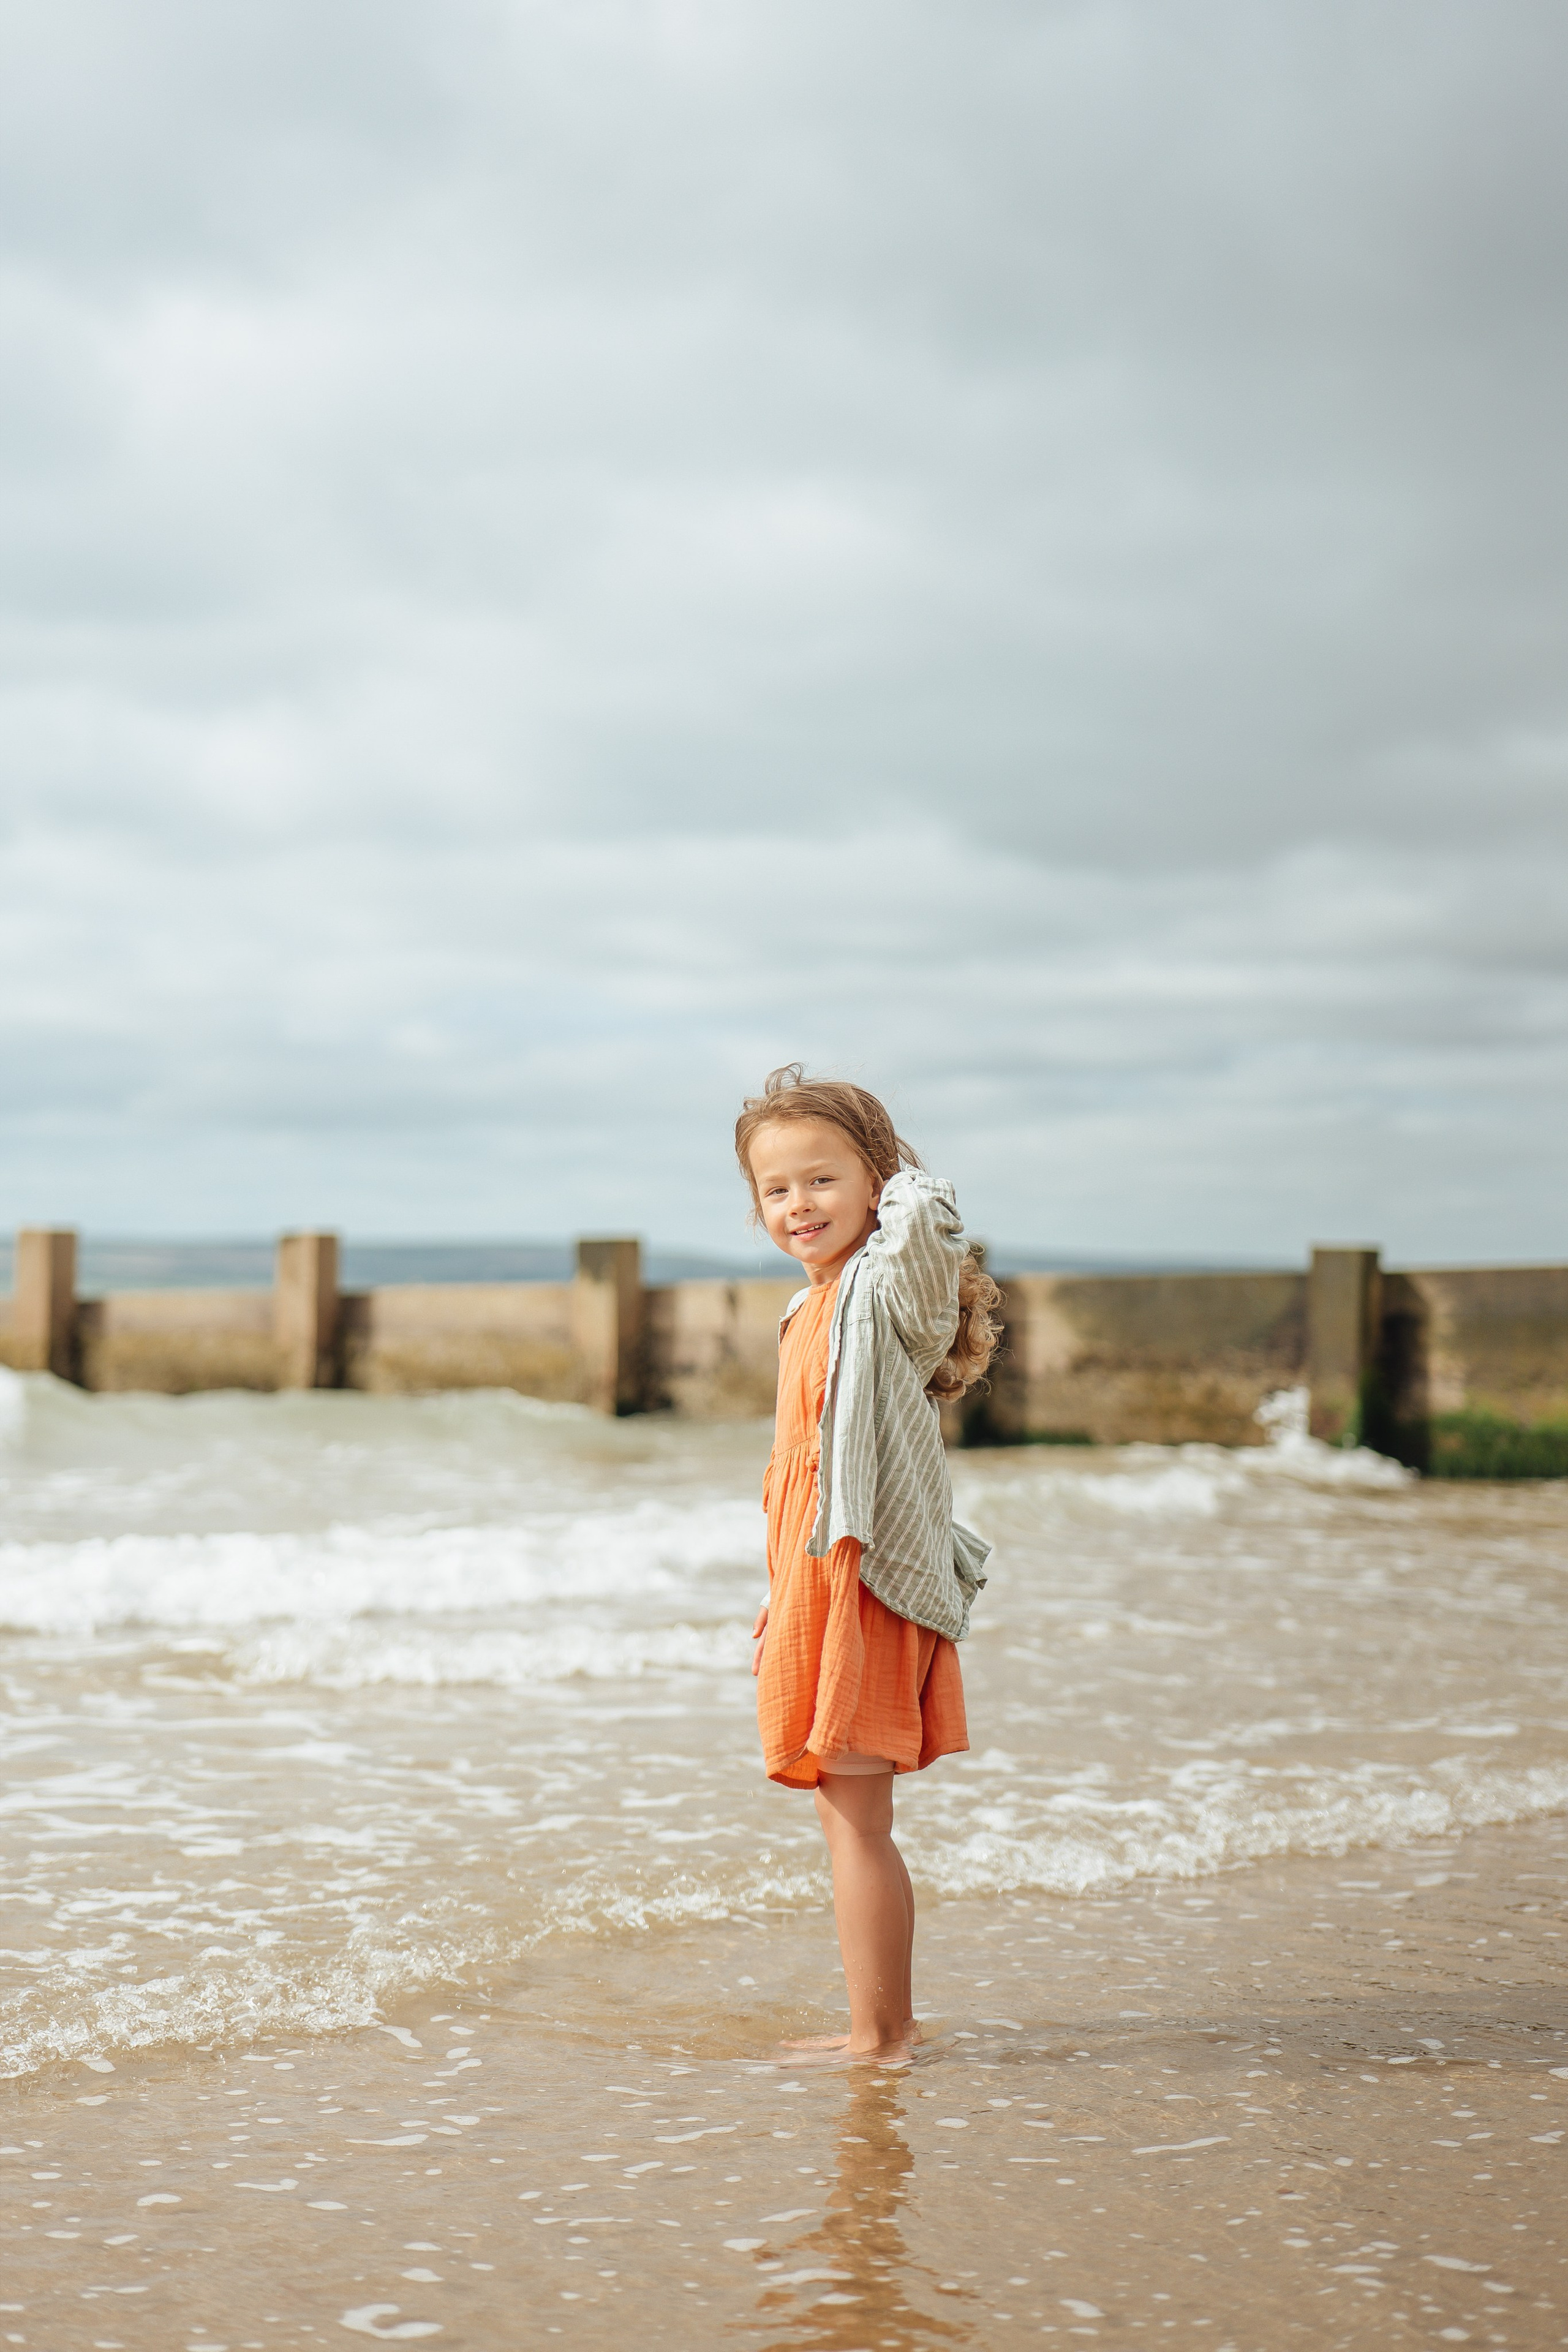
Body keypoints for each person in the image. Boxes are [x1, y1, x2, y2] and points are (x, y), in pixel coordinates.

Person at [737, 1064, 1000, 2060]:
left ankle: (882, 2036)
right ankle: (881, 2024)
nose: (799, 1205)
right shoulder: (805, 1312)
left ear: (875, 1186)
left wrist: (904, 1188)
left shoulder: (882, 1290)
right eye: (776, 1189)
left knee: (858, 1818)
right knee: (840, 1814)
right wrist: (775, 1595)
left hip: (866, 1579)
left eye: (823, 1181)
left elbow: (933, 1236)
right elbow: (799, 1475)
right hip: (814, 1580)